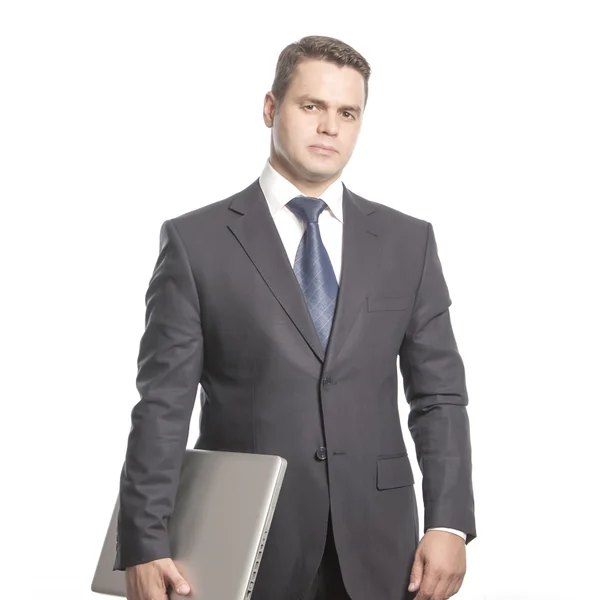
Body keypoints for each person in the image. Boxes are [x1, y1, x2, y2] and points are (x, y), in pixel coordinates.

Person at [112, 35, 476, 600]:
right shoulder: (196, 242)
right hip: (247, 540)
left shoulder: (408, 242)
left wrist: (448, 522)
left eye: (347, 112)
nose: (329, 126)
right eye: (312, 106)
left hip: (383, 544)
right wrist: (144, 541)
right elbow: (163, 404)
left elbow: (440, 396)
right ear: (270, 108)